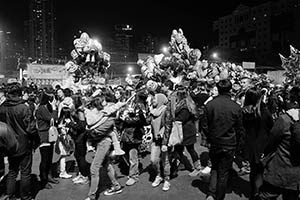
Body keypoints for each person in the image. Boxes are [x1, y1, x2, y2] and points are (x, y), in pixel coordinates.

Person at [203, 79, 245, 200]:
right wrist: (239, 146)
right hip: (229, 143)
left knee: (215, 168)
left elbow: (204, 126)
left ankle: (211, 193)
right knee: (223, 172)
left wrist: (211, 137)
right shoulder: (235, 107)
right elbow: (239, 129)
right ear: (230, 90)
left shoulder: (210, 105)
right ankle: (218, 196)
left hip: (215, 142)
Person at [258, 87, 300, 200]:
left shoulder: (285, 119)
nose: (286, 101)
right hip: (296, 177)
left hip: (280, 169)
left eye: (288, 99)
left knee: (266, 196)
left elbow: (272, 141)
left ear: (295, 103)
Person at [84, 93, 123, 200]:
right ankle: (116, 186)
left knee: (94, 168)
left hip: (104, 142)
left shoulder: (109, 115)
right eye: (104, 101)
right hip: (100, 141)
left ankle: (91, 196)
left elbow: (96, 129)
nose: (106, 103)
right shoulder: (97, 113)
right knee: (106, 164)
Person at [0, 83, 36, 200]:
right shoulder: (24, 108)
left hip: (9, 143)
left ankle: (10, 194)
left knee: (12, 170)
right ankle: (25, 196)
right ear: (19, 93)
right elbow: (31, 128)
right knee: (25, 172)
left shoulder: (2, 108)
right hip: (23, 143)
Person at [242, 89, 273, 199]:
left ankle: (253, 191)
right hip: (263, 146)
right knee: (260, 171)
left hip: (250, 145)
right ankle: (257, 192)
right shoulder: (265, 113)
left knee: (254, 171)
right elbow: (271, 129)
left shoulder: (244, 112)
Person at [172, 86, 202, 177]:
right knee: (179, 149)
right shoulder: (187, 103)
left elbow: (181, 119)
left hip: (186, 131)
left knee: (190, 149)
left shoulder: (185, 106)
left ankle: (197, 167)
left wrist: (171, 118)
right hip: (184, 130)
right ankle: (182, 163)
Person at [35, 91, 60, 189]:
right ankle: (43, 179)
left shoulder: (44, 108)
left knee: (49, 158)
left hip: (49, 135)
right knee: (45, 159)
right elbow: (53, 119)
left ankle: (49, 176)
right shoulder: (42, 109)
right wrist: (54, 108)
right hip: (44, 136)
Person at [149, 93, 172, 191]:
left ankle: (167, 179)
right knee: (153, 160)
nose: (153, 100)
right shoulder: (153, 111)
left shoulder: (166, 110)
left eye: (155, 99)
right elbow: (148, 122)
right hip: (155, 139)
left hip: (163, 139)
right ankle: (159, 174)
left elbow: (168, 126)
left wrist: (165, 143)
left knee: (165, 160)